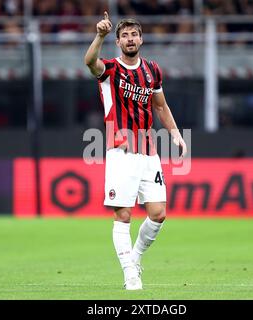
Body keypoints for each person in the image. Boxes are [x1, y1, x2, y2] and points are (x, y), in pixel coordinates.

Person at [84, 12, 187, 290]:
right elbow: (89, 62)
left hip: (149, 153)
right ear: (118, 42)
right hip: (121, 151)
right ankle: (130, 273)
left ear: (141, 39)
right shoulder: (111, 69)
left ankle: (136, 258)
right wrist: (99, 35)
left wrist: (175, 133)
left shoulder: (152, 70)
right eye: (125, 36)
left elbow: (161, 106)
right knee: (124, 215)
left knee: (158, 214)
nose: (130, 39)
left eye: (134, 34)